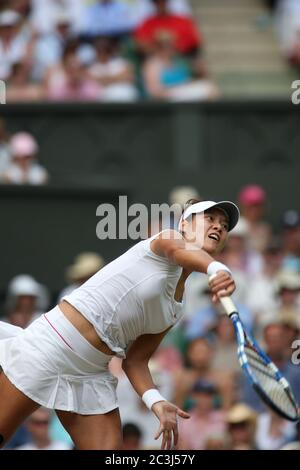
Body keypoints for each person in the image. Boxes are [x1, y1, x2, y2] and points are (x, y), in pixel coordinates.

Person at [0, 198, 239, 450]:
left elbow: (135, 361)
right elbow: (181, 252)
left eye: (224, 225)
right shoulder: (167, 239)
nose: (219, 227)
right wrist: (216, 268)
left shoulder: (175, 308)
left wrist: (155, 400)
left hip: (91, 374)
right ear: (184, 225)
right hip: (50, 346)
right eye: (209, 219)